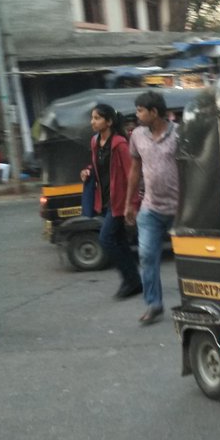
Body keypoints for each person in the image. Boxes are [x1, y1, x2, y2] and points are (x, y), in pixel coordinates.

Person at [125, 90, 180, 325]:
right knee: (147, 256)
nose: (137, 115)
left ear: (154, 112)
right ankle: (154, 303)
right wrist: (129, 203)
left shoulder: (179, 134)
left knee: (190, 259)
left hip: (180, 209)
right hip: (150, 208)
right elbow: (135, 170)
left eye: (140, 111)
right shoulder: (137, 135)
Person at [81, 103, 142, 299]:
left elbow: (132, 174)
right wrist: (88, 170)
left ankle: (130, 280)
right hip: (105, 199)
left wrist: (132, 204)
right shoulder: (95, 142)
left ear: (108, 122)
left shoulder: (119, 144)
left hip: (120, 201)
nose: (92, 122)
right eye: (92, 118)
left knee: (106, 239)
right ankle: (134, 281)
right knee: (119, 241)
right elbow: (97, 164)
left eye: (97, 118)